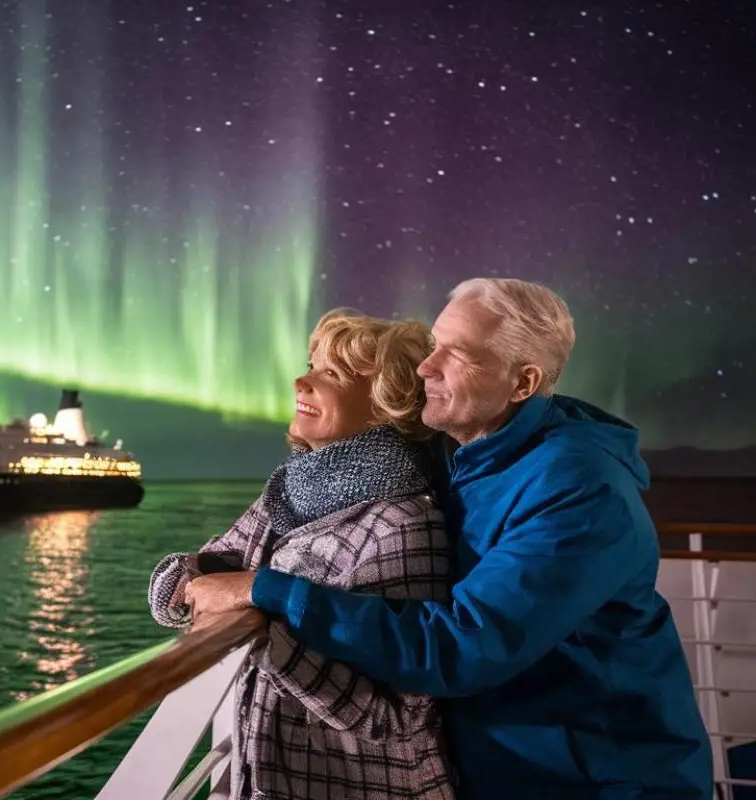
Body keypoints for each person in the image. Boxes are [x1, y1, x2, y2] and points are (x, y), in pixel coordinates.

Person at [186, 278, 713, 799]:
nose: (424, 367)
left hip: (600, 777)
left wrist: (267, 590)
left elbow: (463, 647)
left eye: (456, 355)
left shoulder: (581, 490)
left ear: (523, 383)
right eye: (434, 344)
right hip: (499, 769)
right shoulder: (455, 452)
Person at [149, 309, 457, 800]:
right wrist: (180, 586)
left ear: (387, 406)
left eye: (330, 374)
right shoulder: (289, 493)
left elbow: (401, 713)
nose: (301, 380)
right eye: (310, 365)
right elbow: (207, 564)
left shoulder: (404, 523)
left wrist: (267, 632)